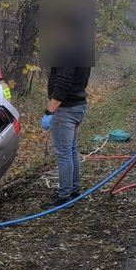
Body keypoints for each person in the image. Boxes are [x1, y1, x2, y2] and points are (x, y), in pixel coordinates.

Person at [40, 65, 92, 208]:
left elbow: (63, 84)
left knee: (63, 153)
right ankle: (73, 190)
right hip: (78, 105)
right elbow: (83, 79)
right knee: (71, 150)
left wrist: (49, 112)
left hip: (66, 108)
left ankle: (64, 196)